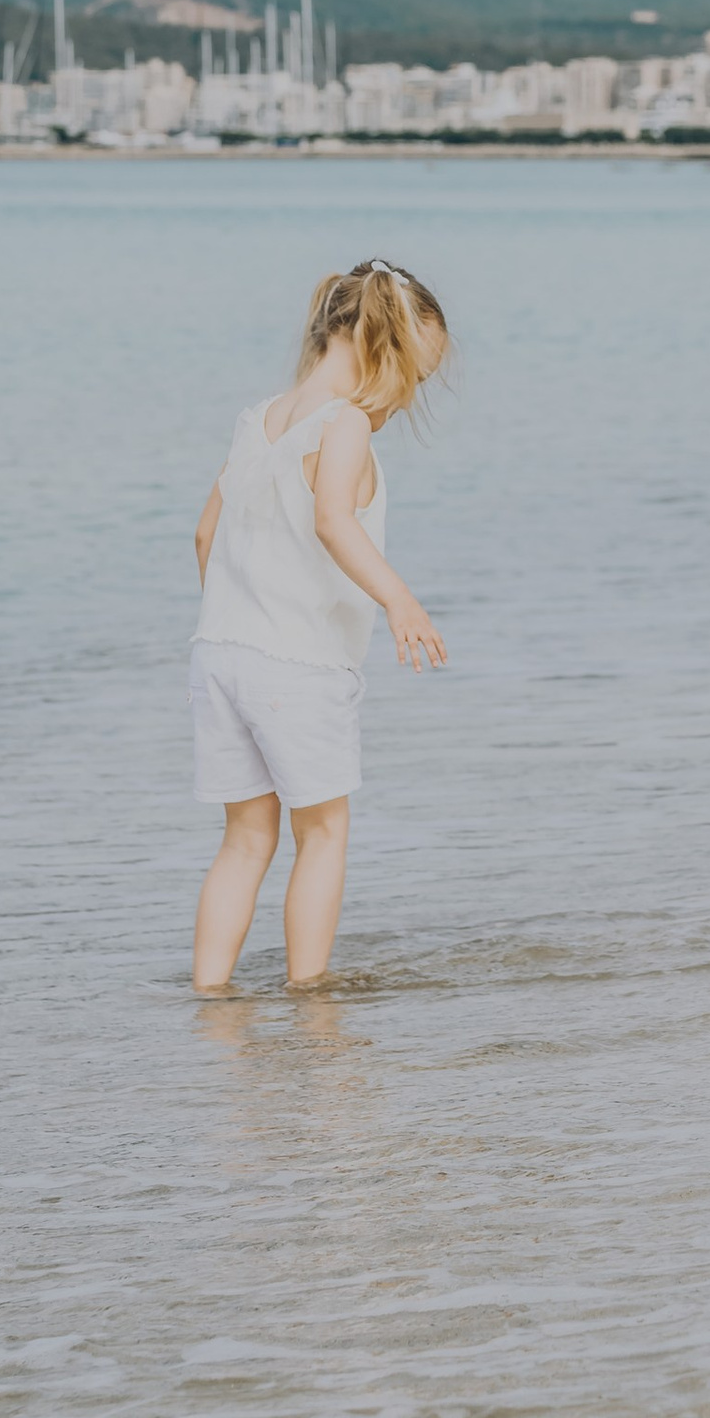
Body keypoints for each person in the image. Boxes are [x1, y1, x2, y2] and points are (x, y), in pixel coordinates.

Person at [189, 258, 450, 989]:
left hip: (218, 656)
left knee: (243, 840)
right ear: (384, 349)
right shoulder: (345, 426)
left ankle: (210, 995)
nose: (408, 398)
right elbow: (335, 521)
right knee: (323, 834)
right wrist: (400, 599)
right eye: (416, 377)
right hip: (295, 665)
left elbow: (204, 538)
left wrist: (242, 615)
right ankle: (310, 997)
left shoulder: (258, 419)